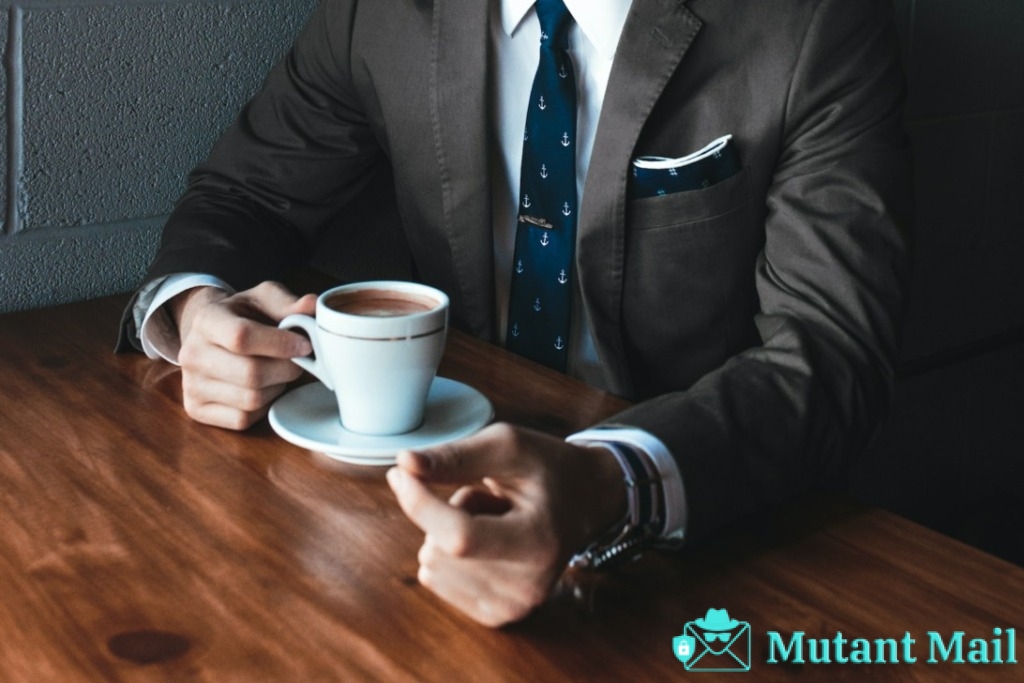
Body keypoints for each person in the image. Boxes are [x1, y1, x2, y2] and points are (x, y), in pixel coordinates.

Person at [119, 0, 913, 627]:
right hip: (411, 512)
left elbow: (832, 352)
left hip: (706, 548)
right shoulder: (379, 11)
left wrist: (613, 480)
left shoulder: (816, 24)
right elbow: (245, 193)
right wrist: (191, 309)